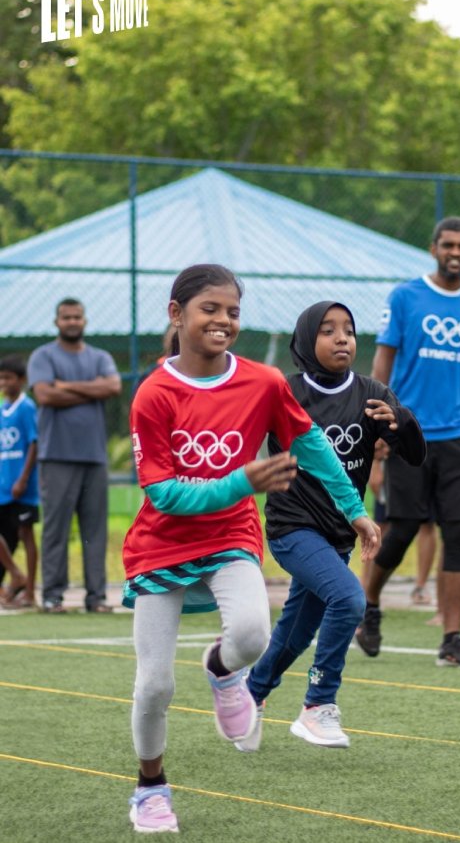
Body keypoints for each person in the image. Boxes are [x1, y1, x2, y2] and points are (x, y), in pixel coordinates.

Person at [123, 267, 378, 833]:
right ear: (176, 314)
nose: (223, 321)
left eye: (233, 312)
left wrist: (354, 511)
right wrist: (243, 480)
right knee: (155, 685)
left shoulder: (263, 383)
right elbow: (164, 495)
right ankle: (150, 787)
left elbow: (312, 446)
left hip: (231, 537)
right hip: (161, 545)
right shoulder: (153, 394)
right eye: (210, 309)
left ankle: (221, 669)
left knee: (252, 636)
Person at [237, 301, 423, 752]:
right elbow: (237, 435)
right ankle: (318, 704)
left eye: (349, 330)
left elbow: (416, 455)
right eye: (328, 330)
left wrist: (400, 424)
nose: (342, 338)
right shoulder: (285, 391)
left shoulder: (372, 392)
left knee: (296, 633)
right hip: (292, 528)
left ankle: (250, 696)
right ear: (306, 340)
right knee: (349, 598)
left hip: (339, 535)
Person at [357, 216, 460, 667]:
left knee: (458, 533)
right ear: (433, 248)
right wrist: (379, 424)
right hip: (407, 433)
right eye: (448, 245)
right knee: (402, 529)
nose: (456, 252)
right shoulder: (405, 297)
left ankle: (452, 639)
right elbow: (383, 363)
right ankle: (368, 606)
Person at [27, 298, 122, 613]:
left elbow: (113, 386)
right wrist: (92, 388)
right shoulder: (43, 356)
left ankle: (96, 598)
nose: (72, 322)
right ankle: (52, 596)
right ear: (57, 322)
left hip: (94, 457)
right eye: (66, 317)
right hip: (56, 456)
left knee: (95, 531)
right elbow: (45, 394)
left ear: (84, 320)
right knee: (56, 529)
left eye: (77, 317)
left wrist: (66, 386)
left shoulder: (100, 357)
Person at [0, 355, 39, 608]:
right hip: (3, 486)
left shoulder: (27, 407)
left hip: (23, 487)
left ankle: (31, 592)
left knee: (26, 534)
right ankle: (15, 574)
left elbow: (34, 443)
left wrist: (23, 479)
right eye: (1, 378)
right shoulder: (2, 410)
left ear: (22, 380)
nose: (4, 383)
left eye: (9, 378)